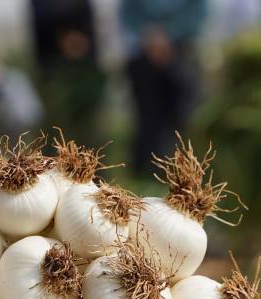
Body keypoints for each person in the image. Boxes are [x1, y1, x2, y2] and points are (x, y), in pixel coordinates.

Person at [119, 0, 209, 174]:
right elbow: (128, 13)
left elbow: (198, 13)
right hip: (144, 52)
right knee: (146, 117)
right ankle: (145, 171)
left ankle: (178, 169)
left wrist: (169, 36)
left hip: (182, 53)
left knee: (181, 116)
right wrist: (150, 36)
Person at [29, 0, 107, 146]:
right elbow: (42, 14)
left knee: (89, 129)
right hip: (52, 66)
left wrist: (78, 39)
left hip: (85, 66)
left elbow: (85, 10)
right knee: (55, 126)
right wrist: (64, 35)